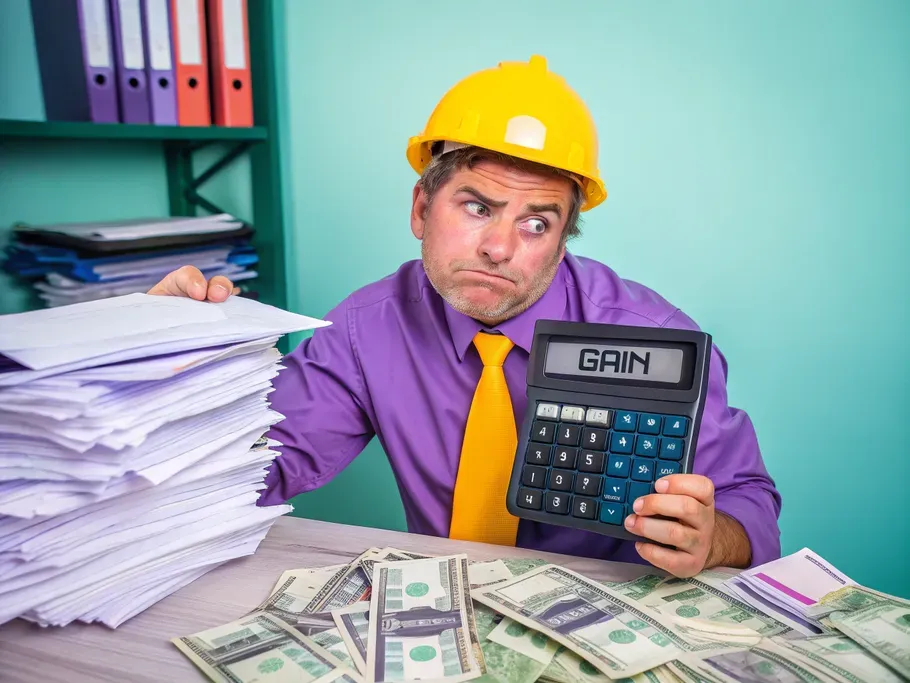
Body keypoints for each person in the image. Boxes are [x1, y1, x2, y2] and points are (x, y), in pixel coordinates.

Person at [149, 55, 782, 578]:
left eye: (536, 223)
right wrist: (164, 373)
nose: (500, 248)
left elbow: (748, 505)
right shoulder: (369, 329)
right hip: (447, 615)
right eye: (477, 207)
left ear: (563, 240)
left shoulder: (655, 337)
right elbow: (254, 466)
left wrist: (710, 537)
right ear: (421, 208)